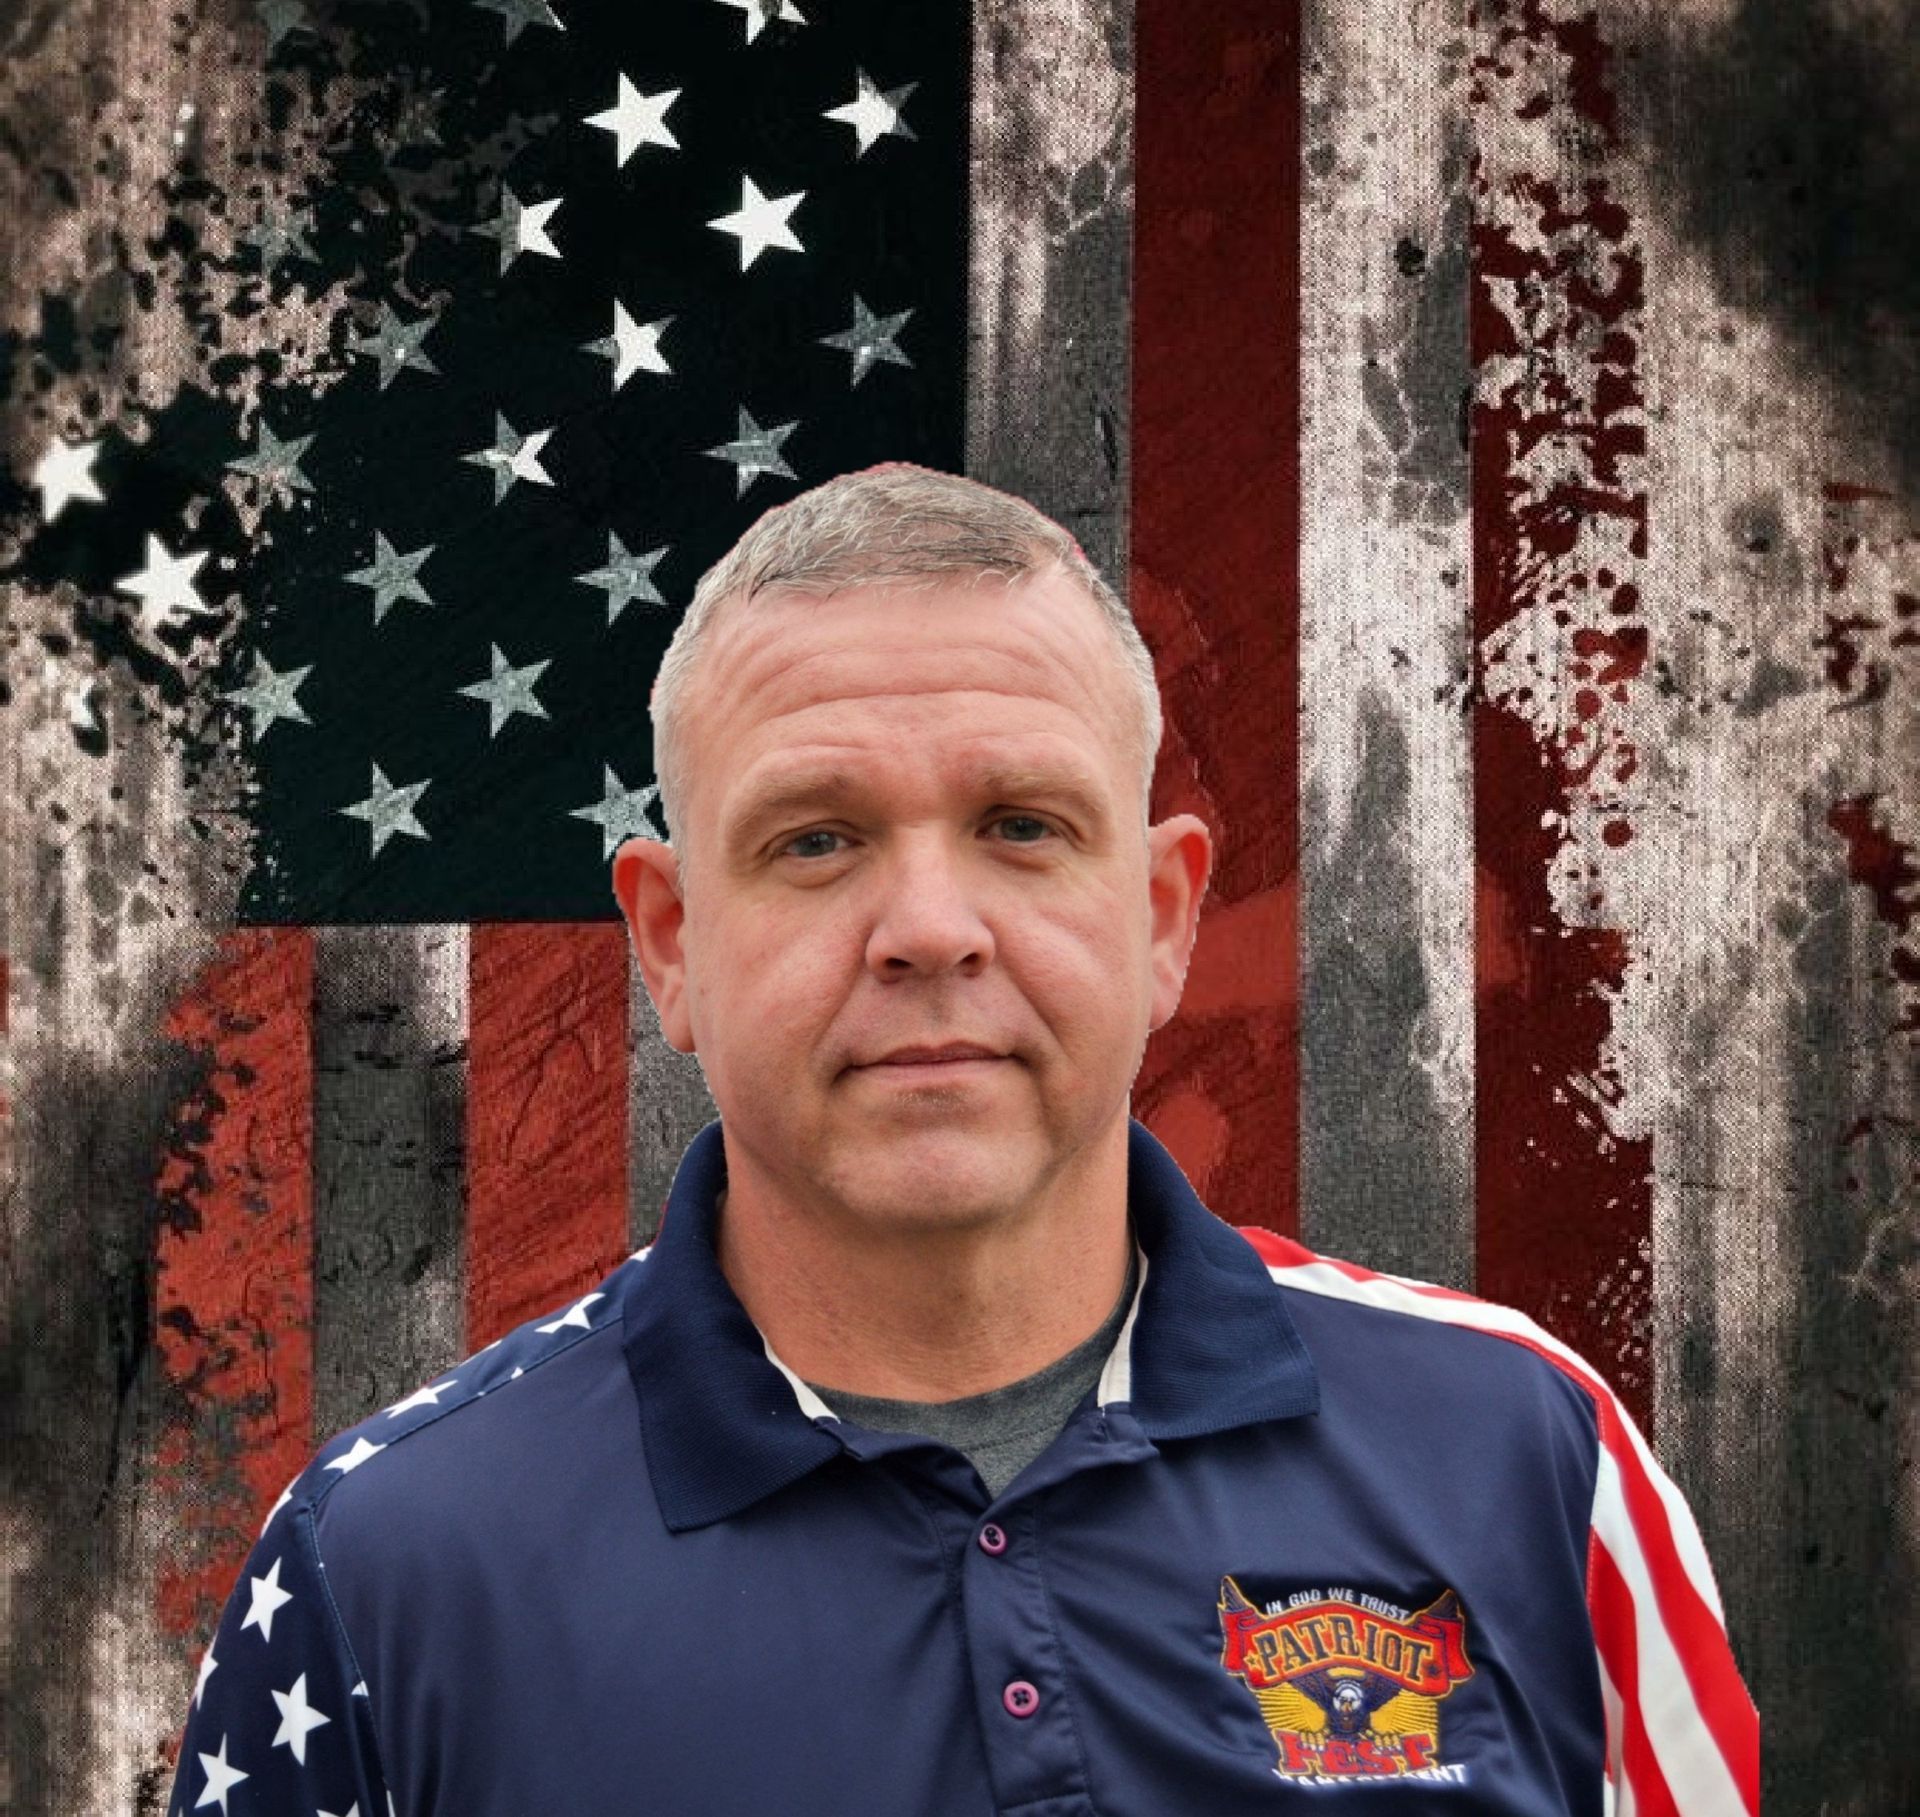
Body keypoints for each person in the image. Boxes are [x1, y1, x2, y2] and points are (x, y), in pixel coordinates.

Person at [165, 463, 1758, 1815]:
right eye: (815, 839)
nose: (929, 928)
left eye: (1021, 825)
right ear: (668, 943)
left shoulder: (1531, 1451)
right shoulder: (386, 1562)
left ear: (1160, 913)